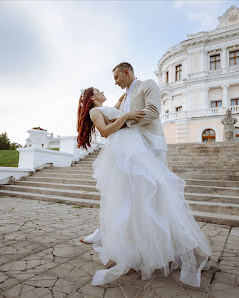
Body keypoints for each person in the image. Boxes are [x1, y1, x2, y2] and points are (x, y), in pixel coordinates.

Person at [76, 63, 211, 288]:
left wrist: (124, 120)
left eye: (117, 76)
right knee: (141, 202)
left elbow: (152, 112)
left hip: (149, 147)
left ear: (127, 72)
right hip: (130, 153)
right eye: (110, 81)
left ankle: (178, 247)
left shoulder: (145, 86)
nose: (114, 83)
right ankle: (145, 249)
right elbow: (109, 126)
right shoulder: (114, 103)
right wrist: (126, 117)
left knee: (158, 196)